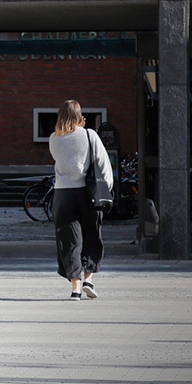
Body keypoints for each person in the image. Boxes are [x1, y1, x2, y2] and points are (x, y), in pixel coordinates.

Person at [48, 100, 112, 300]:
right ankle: (88, 279)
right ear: (79, 116)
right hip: (87, 192)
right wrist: (107, 189)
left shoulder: (53, 139)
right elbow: (103, 163)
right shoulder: (89, 135)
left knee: (69, 240)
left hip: (63, 194)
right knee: (92, 235)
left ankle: (75, 288)